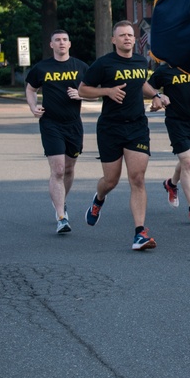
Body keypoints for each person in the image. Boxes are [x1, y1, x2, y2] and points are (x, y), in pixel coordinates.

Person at [78, 21, 170, 250]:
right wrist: (106, 91)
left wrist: (157, 95)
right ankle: (99, 199)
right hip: (110, 127)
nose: (127, 38)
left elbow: (141, 84)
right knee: (110, 180)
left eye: (130, 35)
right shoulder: (103, 64)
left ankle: (140, 232)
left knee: (137, 178)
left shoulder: (140, 61)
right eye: (122, 35)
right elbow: (82, 89)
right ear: (114, 40)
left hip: (137, 125)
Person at [25, 30, 89, 235]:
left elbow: (95, 92)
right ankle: (61, 217)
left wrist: (81, 95)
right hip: (50, 123)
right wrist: (33, 107)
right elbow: (30, 89)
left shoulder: (80, 67)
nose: (61, 43)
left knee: (69, 168)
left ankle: (61, 201)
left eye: (64, 40)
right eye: (57, 40)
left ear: (69, 44)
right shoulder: (42, 68)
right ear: (51, 44)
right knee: (59, 169)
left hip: (73, 124)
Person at [147, 62, 190, 222]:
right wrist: (158, 95)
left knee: (186, 161)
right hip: (176, 121)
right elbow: (146, 87)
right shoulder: (164, 70)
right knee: (187, 162)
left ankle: (171, 184)